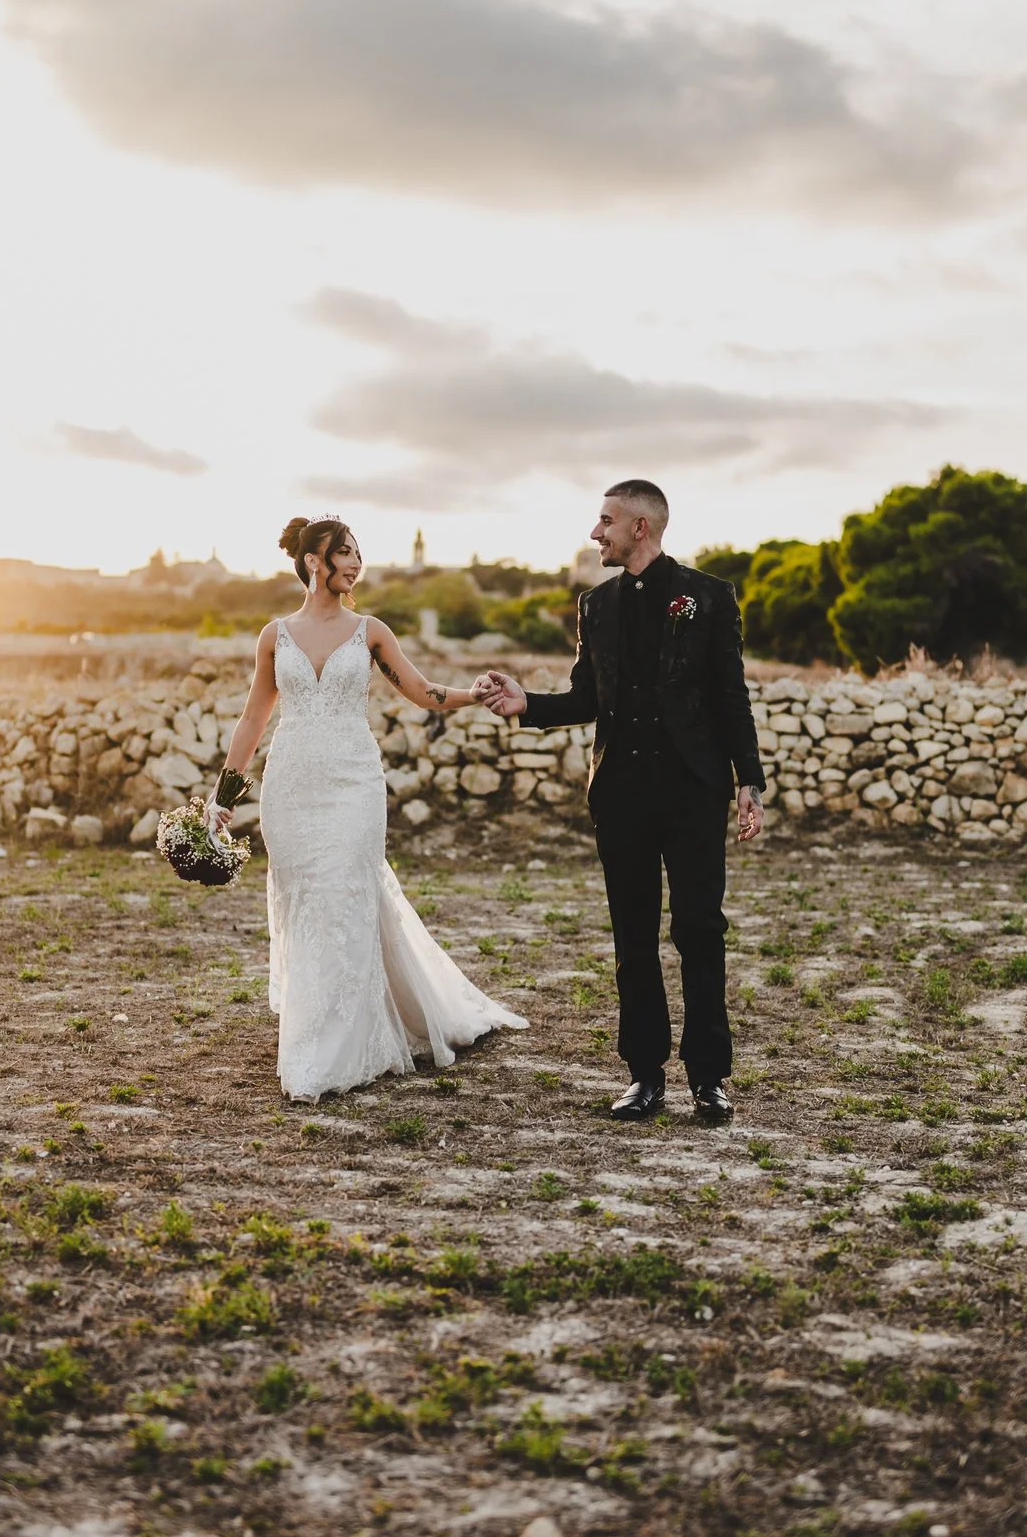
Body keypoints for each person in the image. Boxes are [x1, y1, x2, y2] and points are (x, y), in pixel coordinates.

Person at [475, 480, 764, 1123]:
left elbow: (730, 696)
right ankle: (644, 1077)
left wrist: (750, 781)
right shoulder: (595, 605)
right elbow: (585, 698)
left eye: (604, 521)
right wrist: (529, 705)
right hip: (621, 796)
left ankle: (710, 1078)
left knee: (699, 931)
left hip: (694, 791)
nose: (594, 533)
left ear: (641, 527)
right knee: (632, 939)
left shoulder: (710, 597)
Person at [215, 516, 527, 1100]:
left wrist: (473, 696)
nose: (356, 564)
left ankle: (342, 1047)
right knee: (308, 903)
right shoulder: (273, 635)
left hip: (354, 783)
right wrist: (223, 797)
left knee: (347, 898)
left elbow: (421, 690)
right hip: (293, 786)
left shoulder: (371, 631)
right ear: (314, 562)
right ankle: (312, 1030)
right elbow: (254, 717)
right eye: (345, 554)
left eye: (359, 554)